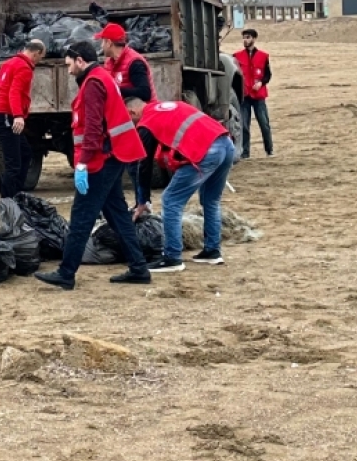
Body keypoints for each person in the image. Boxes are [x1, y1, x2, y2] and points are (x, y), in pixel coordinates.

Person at [35, 41, 151, 290]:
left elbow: (93, 128)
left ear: (80, 60)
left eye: (69, 64)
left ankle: (66, 273)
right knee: (118, 215)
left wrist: (83, 164)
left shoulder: (93, 84)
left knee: (82, 216)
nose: (68, 70)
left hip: (101, 160)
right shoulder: (101, 78)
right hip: (112, 156)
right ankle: (139, 268)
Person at [124, 94, 236, 267]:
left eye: (129, 120)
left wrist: (143, 200)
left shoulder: (146, 123)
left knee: (170, 200)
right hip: (226, 144)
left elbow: (144, 164)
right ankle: (212, 251)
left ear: (133, 112)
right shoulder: (170, 106)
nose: (132, 125)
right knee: (211, 200)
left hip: (207, 151)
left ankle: (172, 257)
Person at [97, 22, 156, 207]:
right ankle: (125, 206)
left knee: (136, 164)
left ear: (109, 42)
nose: (101, 46)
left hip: (140, 119)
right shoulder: (110, 63)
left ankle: (143, 204)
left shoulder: (134, 62)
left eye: (102, 41)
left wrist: (115, 90)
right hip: (123, 120)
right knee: (121, 161)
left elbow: (145, 93)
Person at [0, 40, 46, 197]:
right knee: (13, 165)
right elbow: (14, 92)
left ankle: (17, 194)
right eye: (41, 57)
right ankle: (8, 201)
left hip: (1, 116)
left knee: (25, 153)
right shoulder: (24, 68)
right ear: (36, 53)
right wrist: (18, 116)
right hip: (8, 118)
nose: (39, 61)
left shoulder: (9, 63)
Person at [234, 27, 273, 159]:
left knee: (264, 124)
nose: (245, 40)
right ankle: (245, 153)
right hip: (244, 96)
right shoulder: (236, 56)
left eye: (248, 37)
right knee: (244, 125)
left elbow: (268, 74)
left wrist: (261, 83)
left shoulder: (263, 56)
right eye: (244, 38)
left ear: (254, 39)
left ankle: (269, 150)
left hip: (258, 96)